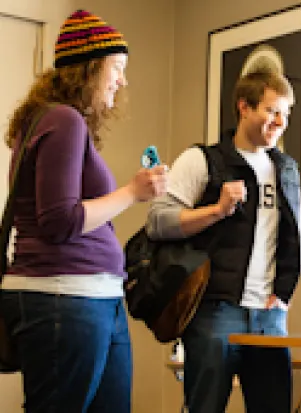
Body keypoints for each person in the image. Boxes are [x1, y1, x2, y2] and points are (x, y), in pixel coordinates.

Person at [0, 9, 167, 413]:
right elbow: (59, 221)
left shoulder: (53, 121)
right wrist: (132, 191)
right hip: (65, 297)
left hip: (92, 297)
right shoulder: (64, 120)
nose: (122, 80)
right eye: (118, 67)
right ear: (90, 69)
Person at [146, 68, 301, 413]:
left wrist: (284, 294)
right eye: (271, 110)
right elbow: (158, 222)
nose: (280, 121)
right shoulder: (202, 160)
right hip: (214, 313)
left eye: (286, 113)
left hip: (270, 317)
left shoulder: (287, 170)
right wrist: (216, 210)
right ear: (244, 107)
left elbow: (295, 239)